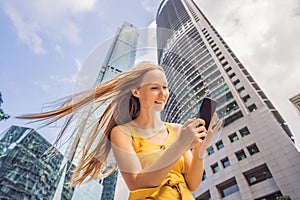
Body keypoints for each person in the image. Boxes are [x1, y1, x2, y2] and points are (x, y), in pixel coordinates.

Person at [20, 61, 222, 200]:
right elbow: (137, 183)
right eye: (154, 88)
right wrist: (180, 145)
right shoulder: (122, 133)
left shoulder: (178, 130)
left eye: (165, 87)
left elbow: (193, 184)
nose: (163, 94)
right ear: (136, 91)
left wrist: (200, 151)